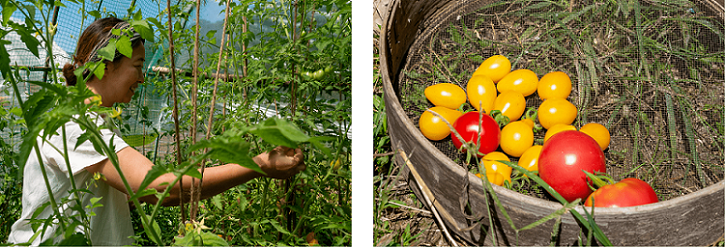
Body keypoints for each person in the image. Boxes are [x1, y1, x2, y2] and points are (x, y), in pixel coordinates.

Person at [7, 17, 306, 246]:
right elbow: (159, 187)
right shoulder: (75, 125)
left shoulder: (92, 121)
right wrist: (258, 165)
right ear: (107, 66)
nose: (142, 77)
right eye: (137, 65)